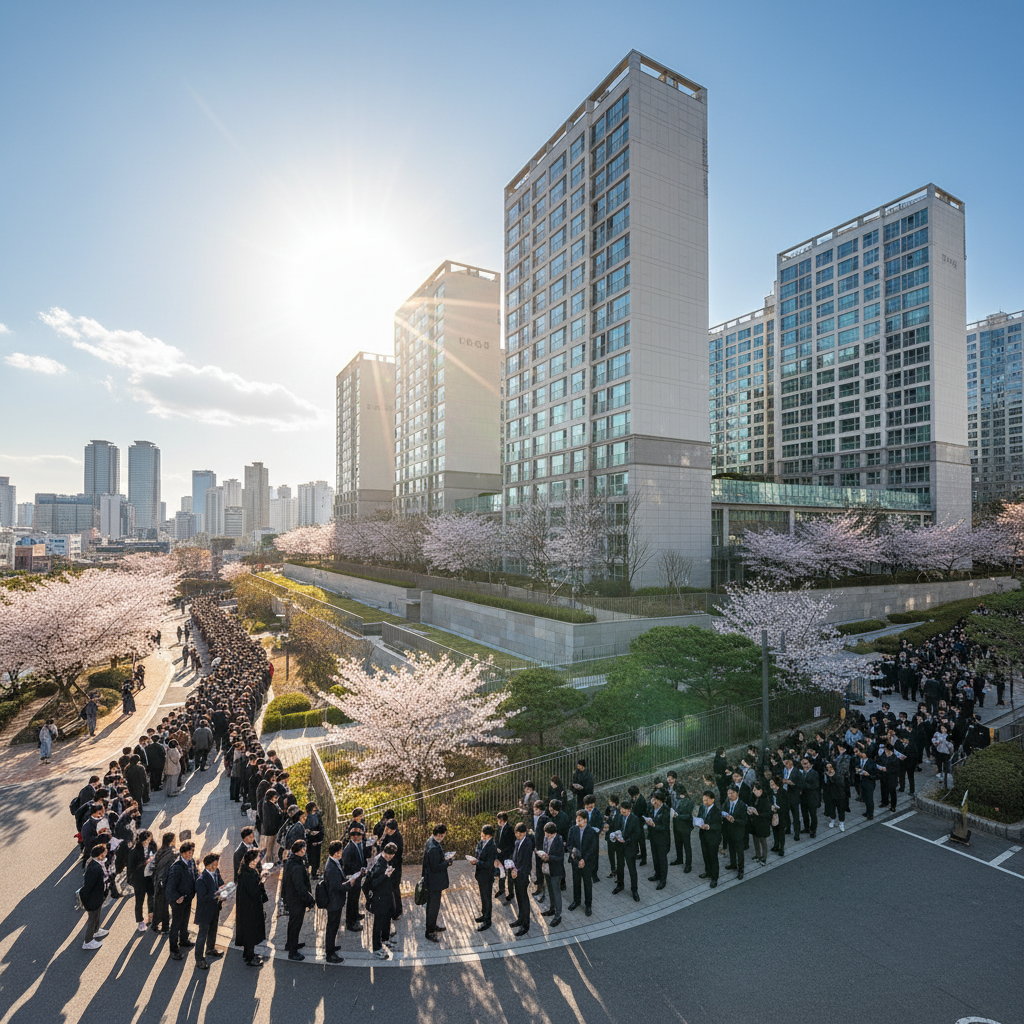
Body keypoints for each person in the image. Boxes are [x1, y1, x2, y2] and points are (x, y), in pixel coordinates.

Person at [281, 840, 315, 961]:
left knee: (292, 923)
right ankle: (293, 952)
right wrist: (310, 900)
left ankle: (290, 944)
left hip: (291, 899)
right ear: (298, 851)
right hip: (296, 901)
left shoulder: (290, 862)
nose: (304, 852)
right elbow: (300, 887)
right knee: (296, 925)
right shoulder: (297, 867)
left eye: (304, 849)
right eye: (303, 850)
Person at [165, 840, 198, 960]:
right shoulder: (176, 867)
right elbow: (170, 887)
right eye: (189, 852)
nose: (191, 854)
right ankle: (173, 950)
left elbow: (195, 876)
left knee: (185, 922)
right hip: (179, 901)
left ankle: (183, 940)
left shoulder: (191, 862)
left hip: (188, 898)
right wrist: (176, 898)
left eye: (192, 852)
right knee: (175, 925)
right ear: (183, 853)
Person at [323, 840, 354, 964]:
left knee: (334, 926)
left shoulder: (334, 862)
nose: (342, 852)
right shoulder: (331, 867)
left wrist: (346, 879)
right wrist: (349, 884)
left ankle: (331, 947)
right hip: (334, 901)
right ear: (336, 853)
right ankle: (330, 954)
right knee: (332, 926)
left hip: (336, 900)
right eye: (340, 851)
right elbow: (337, 886)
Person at [193, 853, 226, 969]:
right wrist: (217, 894)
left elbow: (221, 883)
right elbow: (202, 898)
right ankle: (199, 959)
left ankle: (210, 949)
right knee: (202, 934)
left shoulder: (216, 872)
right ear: (206, 865)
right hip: (205, 911)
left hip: (215, 908)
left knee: (213, 930)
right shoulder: (201, 880)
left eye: (216, 864)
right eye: (213, 865)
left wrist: (223, 889)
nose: (215, 867)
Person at [235, 849, 267, 967]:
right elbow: (254, 891)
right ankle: (250, 957)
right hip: (249, 908)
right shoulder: (247, 874)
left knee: (249, 932)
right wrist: (263, 879)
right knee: (250, 933)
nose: (258, 860)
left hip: (249, 907)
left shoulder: (248, 870)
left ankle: (247, 954)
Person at [421, 824, 452, 943]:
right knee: (433, 907)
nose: (443, 837)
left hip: (431, 880)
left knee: (432, 906)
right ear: (439, 835)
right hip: (434, 882)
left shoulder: (431, 841)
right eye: (443, 836)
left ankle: (432, 925)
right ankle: (429, 931)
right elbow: (435, 867)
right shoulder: (433, 847)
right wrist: (447, 863)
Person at [369, 842, 398, 959]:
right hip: (379, 898)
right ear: (384, 852)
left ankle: (385, 939)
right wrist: (386, 875)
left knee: (386, 918)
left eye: (391, 856)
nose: (389, 857)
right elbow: (373, 883)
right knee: (378, 922)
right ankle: (376, 947)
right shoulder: (379, 863)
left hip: (386, 895)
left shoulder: (385, 861)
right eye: (388, 855)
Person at [80, 844, 111, 950]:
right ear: (100, 855)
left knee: (97, 915)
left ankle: (96, 931)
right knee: (92, 919)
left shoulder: (99, 863)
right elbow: (87, 887)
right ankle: (87, 941)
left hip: (99, 896)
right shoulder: (94, 868)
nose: (107, 852)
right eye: (105, 852)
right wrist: (86, 902)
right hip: (93, 899)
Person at [567, 810, 597, 916]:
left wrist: (584, 860)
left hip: (587, 863)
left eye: (580, 820)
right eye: (577, 819)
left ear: (585, 820)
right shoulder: (573, 829)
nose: (577, 821)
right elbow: (569, 844)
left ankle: (588, 905)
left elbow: (593, 848)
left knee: (587, 884)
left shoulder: (591, 831)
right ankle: (576, 901)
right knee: (576, 882)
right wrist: (572, 852)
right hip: (575, 862)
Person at [468, 825, 497, 932]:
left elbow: (490, 864)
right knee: (483, 896)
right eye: (482, 835)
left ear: (491, 836)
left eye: (485, 836)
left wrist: (477, 862)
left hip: (487, 875)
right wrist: (475, 859)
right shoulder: (481, 842)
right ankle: (484, 914)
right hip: (480, 874)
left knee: (487, 898)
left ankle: (488, 920)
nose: (483, 837)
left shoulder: (492, 847)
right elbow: (477, 851)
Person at [128, 830, 157, 933]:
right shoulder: (135, 851)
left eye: (150, 839)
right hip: (139, 880)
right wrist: (145, 863)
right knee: (139, 901)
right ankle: (140, 920)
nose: (148, 842)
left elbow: (156, 855)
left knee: (151, 897)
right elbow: (131, 868)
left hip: (150, 878)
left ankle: (151, 916)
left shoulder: (153, 845)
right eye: (146, 841)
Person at [537, 821, 564, 927]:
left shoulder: (559, 840)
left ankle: (558, 915)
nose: (546, 836)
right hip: (546, 868)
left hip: (555, 871)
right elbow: (545, 849)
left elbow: (560, 857)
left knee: (556, 892)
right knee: (550, 890)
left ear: (552, 833)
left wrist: (549, 858)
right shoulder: (545, 838)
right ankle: (552, 909)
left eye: (547, 834)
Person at [614, 799, 643, 900]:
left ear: (630, 810)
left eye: (624, 811)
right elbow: (615, 827)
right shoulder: (619, 816)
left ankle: (634, 890)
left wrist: (626, 841)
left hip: (630, 847)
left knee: (632, 870)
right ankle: (620, 885)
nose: (622, 813)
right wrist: (614, 835)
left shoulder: (634, 819)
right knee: (620, 867)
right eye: (621, 810)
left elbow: (637, 834)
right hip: (619, 847)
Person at [342, 825, 368, 931]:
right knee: (352, 899)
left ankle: (356, 914)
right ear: (354, 837)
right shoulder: (349, 849)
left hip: (358, 876)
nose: (362, 837)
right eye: (360, 835)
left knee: (356, 897)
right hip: (353, 877)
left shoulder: (357, 845)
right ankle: (351, 922)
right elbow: (347, 865)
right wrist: (360, 869)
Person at [509, 822, 534, 936]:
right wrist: (512, 867)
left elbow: (526, 863)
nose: (517, 835)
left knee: (524, 899)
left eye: (519, 833)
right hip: (516, 873)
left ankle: (525, 925)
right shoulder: (517, 842)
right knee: (519, 897)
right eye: (516, 833)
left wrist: (517, 871)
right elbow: (515, 857)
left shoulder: (527, 843)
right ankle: (520, 919)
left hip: (522, 875)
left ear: (524, 833)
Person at [644, 790, 671, 889]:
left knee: (662, 859)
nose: (654, 802)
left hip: (662, 839)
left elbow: (665, 827)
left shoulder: (666, 810)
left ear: (661, 801)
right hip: (653, 837)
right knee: (655, 857)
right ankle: (657, 874)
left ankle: (663, 880)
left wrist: (654, 825)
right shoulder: (651, 807)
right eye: (653, 799)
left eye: (656, 800)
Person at [151, 832, 177, 933]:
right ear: (171, 841)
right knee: (164, 905)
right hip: (164, 882)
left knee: (158, 904)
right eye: (174, 839)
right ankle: (165, 928)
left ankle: (155, 924)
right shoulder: (171, 854)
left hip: (157, 881)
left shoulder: (160, 850)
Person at [696, 790, 722, 888]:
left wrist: (709, 826)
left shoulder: (716, 811)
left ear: (712, 800)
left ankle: (714, 877)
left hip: (713, 838)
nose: (705, 802)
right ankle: (708, 872)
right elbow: (699, 818)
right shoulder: (702, 808)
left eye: (707, 800)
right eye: (704, 800)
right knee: (705, 855)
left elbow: (718, 825)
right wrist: (698, 823)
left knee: (713, 857)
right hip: (703, 836)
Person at [722, 785, 748, 879]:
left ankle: (741, 869)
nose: (730, 795)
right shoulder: (727, 802)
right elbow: (722, 810)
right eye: (728, 793)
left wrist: (734, 820)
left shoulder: (741, 805)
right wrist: (724, 815)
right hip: (729, 831)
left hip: (738, 832)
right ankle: (733, 864)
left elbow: (744, 821)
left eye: (732, 793)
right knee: (731, 849)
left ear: (737, 794)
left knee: (739, 851)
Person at [670, 784, 694, 872]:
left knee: (687, 845)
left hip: (685, 826)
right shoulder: (674, 798)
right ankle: (679, 859)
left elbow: (688, 816)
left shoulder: (688, 801)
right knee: (678, 843)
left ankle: (688, 864)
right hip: (676, 825)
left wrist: (678, 816)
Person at [748, 782, 771, 865]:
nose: (753, 792)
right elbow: (750, 805)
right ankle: (758, 855)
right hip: (755, 822)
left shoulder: (765, 799)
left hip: (762, 823)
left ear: (760, 790)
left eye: (755, 790)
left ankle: (764, 857)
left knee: (762, 840)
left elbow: (768, 813)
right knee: (755, 840)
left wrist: (758, 814)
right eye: (753, 790)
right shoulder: (753, 797)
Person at [494, 811, 514, 903]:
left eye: (499, 820)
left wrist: (502, 851)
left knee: (509, 875)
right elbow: (497, 839)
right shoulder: (499, 827)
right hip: (500, 854)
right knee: (501, 872)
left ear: (503, 820)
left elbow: (511, 844)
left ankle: (511, 893)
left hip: (507, 855)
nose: (498, 821)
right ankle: (501, 889)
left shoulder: (510, 829)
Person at [799, 757, 821, 838]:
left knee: (813, 814)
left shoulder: (814, 773)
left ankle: (813, 830)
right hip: (803, 797)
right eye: (803, 764)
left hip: (812, 797)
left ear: (809, 764)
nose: (805, 765)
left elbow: (815, 785)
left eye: (806, 763)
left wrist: (803, 784)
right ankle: (806, 827)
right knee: (804, 814)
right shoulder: (801, 773)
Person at [305, 802, 324, 877]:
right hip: (310, 840)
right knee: (310, 856)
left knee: (316, 857)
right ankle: (308, 871)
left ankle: (314, 872)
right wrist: (309, 832)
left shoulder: (318, 816)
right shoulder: (307, 817)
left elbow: (321, 827)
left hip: (317, 838)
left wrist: (319, 835)